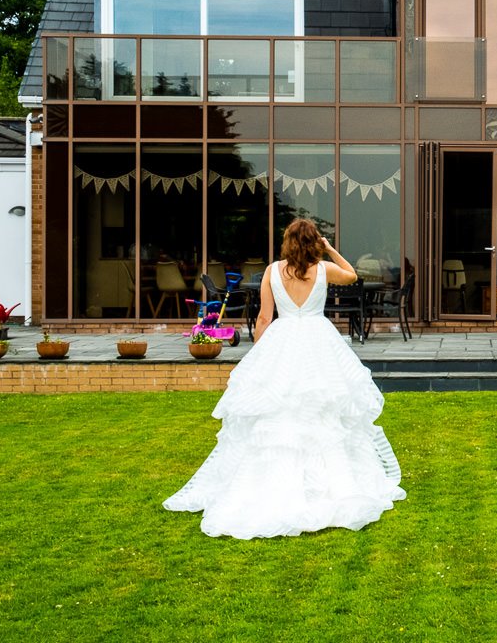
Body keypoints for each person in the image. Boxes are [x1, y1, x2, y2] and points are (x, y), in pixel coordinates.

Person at [164, 218, 406, 538]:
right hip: (320, 340)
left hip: (284, 337)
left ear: (287, 242)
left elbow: (264, 317)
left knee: (280, 409)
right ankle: (332, 484)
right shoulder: (323, 268)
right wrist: (331, 248)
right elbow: (351, 274)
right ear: (314, 243)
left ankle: (272, 483)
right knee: (325, 408)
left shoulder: (272, 271)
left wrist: (263, 356)